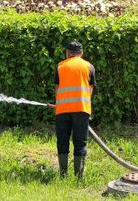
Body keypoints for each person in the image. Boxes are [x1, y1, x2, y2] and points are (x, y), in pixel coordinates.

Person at [54, 40, 95, 179]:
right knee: (80, 143)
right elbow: (90, 91)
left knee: (62, 142)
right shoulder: (89, 67)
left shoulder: (59, 66)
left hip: (62, 110)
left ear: (67, 53)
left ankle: (63, 175)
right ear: (81, 54)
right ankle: (79, 177)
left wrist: (60, 103)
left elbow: (57, 89)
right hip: (81, 110)